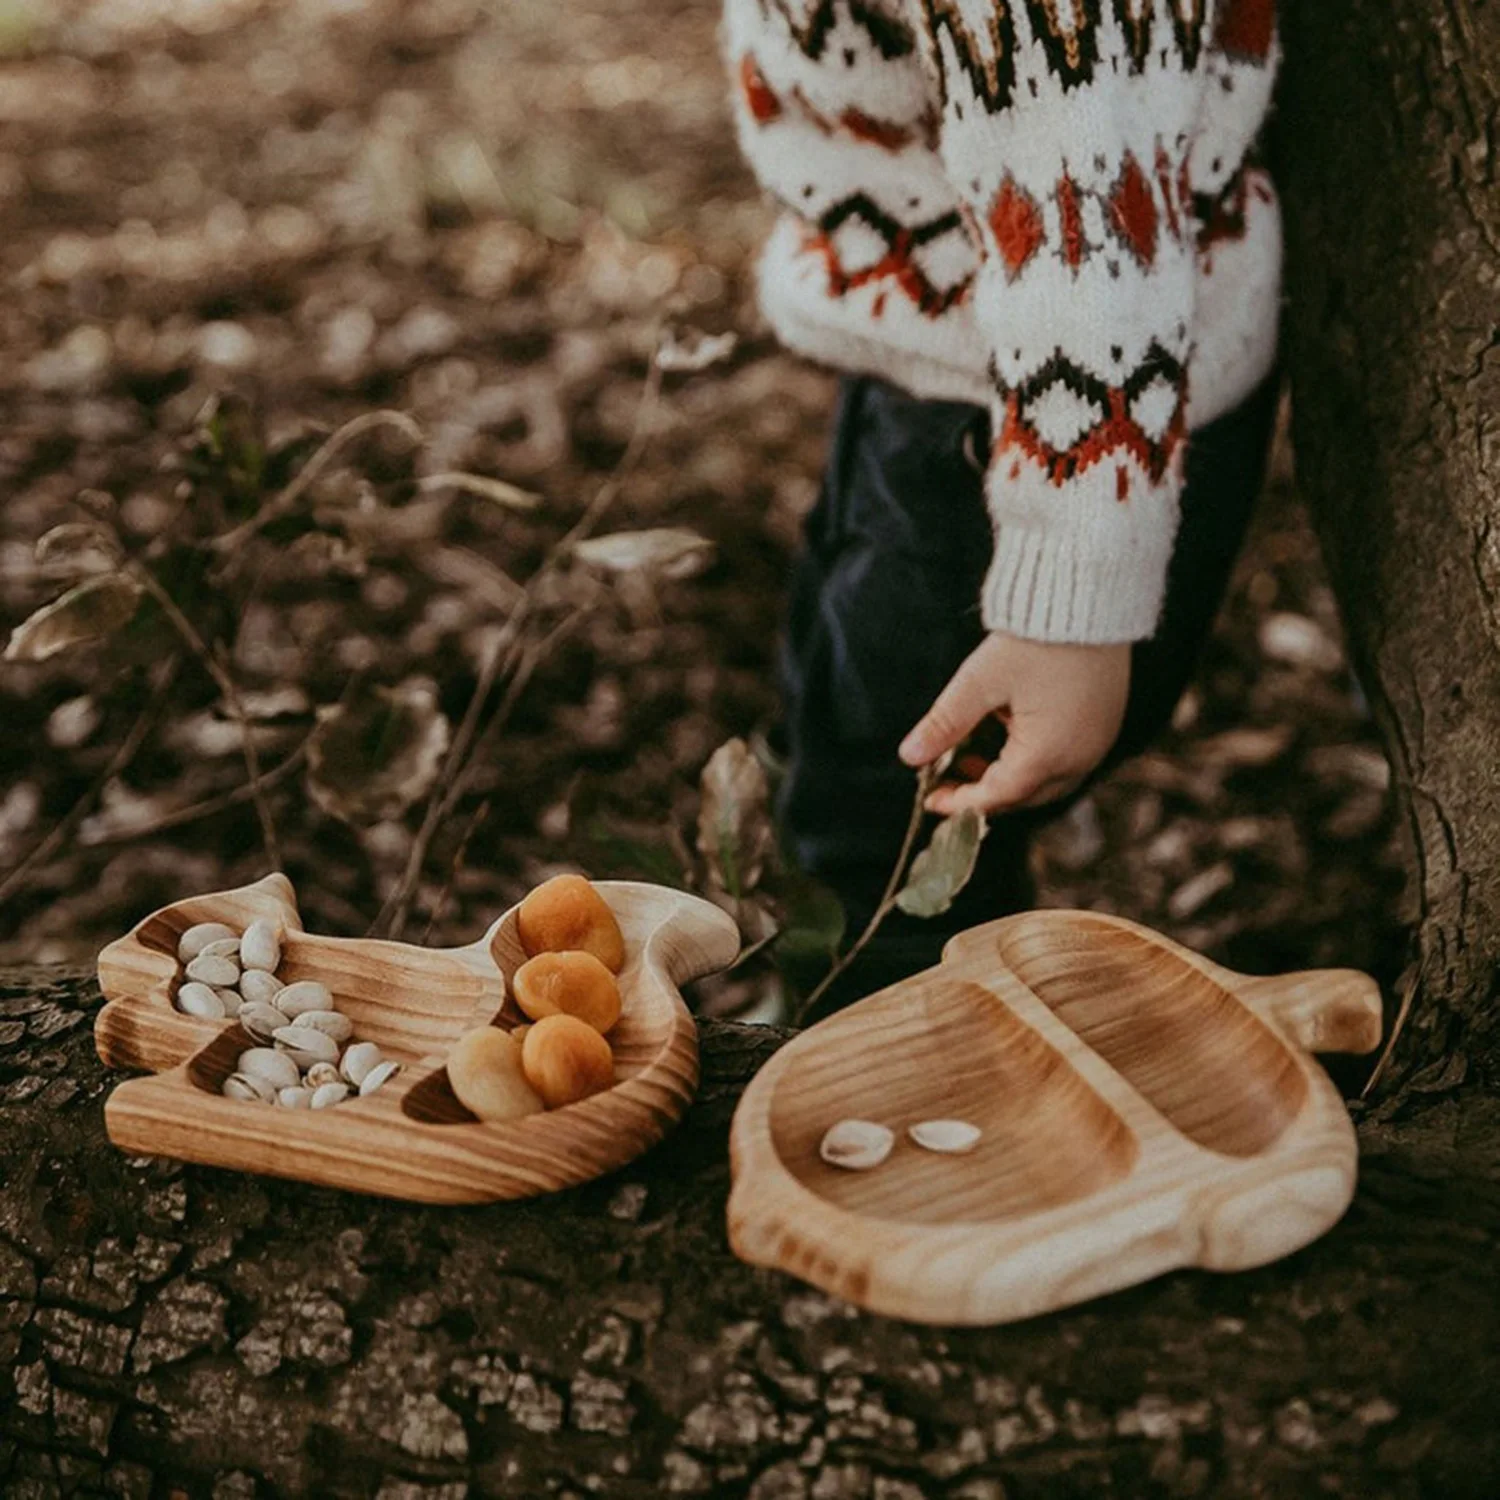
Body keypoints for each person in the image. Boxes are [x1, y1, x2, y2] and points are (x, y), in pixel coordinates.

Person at [719, 1, 1284, 1010]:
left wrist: (1070, 610)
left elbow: (1089, 218)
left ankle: (895, 1090)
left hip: (1051, 423)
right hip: (959, 342)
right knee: (833, 712)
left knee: (895, 834)